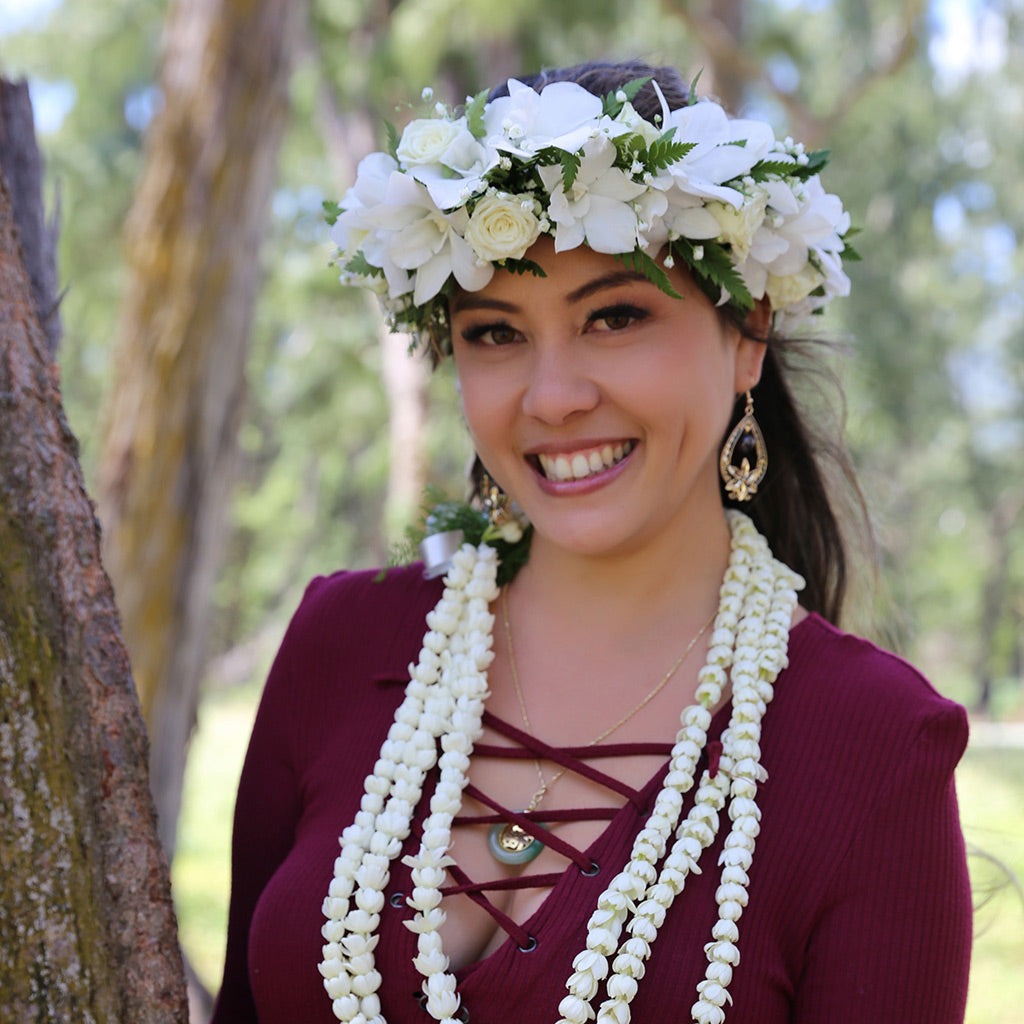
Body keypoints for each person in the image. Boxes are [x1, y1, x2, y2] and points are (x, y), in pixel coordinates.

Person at [210, 60, 972, 1024]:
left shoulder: (873, 747)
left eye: (615, 317)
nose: (553, 397)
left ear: (749, 333)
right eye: (495, 333)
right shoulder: (342, 644)